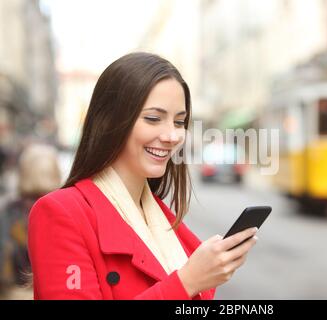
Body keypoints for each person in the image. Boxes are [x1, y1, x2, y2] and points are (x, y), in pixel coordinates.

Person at [28, 52, 258, 300]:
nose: (172, 135)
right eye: (153, 118)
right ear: (109, 122)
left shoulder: (161, 218)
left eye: (179, 122)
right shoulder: (60, 213)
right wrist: (187, 282)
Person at [0, 143, 61, 290]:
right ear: (55, 172)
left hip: (14, 290)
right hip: (54, 289)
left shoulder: (9, 210)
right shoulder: (64, 208)